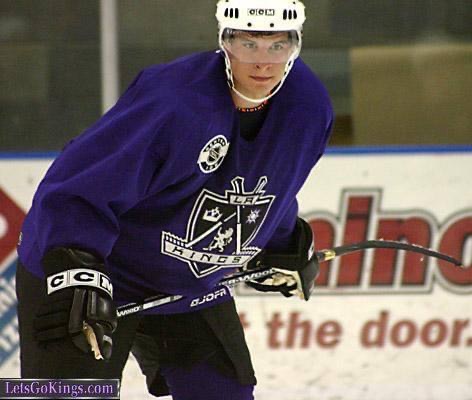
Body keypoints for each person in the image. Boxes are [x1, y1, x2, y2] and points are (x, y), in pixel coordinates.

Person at [15, 0, 333, 399]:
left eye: (277, 45)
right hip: (96, 269)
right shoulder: (175, 101)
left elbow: (273, 185)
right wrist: (74, 269)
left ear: (296, 45)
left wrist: (282, 245)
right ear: (225, 42)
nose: (263, 62)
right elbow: (74, 188)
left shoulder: (307, 107)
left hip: (186, 287)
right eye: (249, 44)